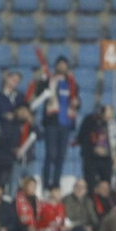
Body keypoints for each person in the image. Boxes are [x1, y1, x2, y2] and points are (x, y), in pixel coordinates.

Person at [37, 57, 80, 192]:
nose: (62, 67)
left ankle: (56, 184)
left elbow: (76, 101)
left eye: (64, 64)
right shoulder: (49, 80)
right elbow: (39, 93)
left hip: (66, 123)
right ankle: (45, 184)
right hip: (52, 122)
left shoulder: (72, 83)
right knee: (50, 154)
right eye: (60, 64)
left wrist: (77, 104)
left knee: (61, 156)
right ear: (56, 66)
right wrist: (44, 80)